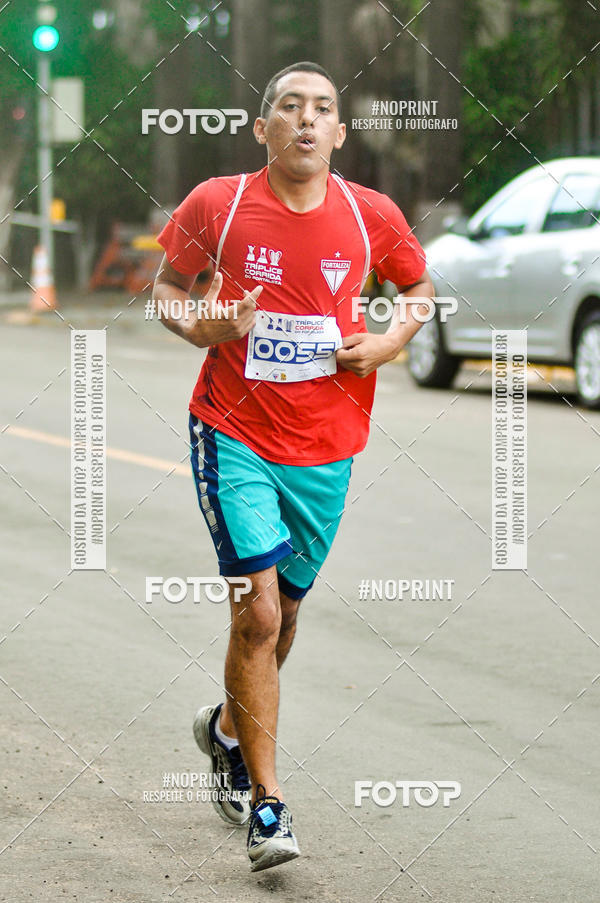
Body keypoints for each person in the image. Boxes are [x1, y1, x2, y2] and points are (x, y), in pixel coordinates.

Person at [153, 60, 434, 872]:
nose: (306, 119)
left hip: (328, 446)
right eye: (289, 106)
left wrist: (390, 340)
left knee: (288, 617)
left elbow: (418, 288)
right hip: (232, 431)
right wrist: (200, 327)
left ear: (339, 133)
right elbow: (167, 286)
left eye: (322, 109)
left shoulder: (370, 213)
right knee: (260, 616)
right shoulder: (219, 203)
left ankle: (225, 730)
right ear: (262, 127)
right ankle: (267, 803)